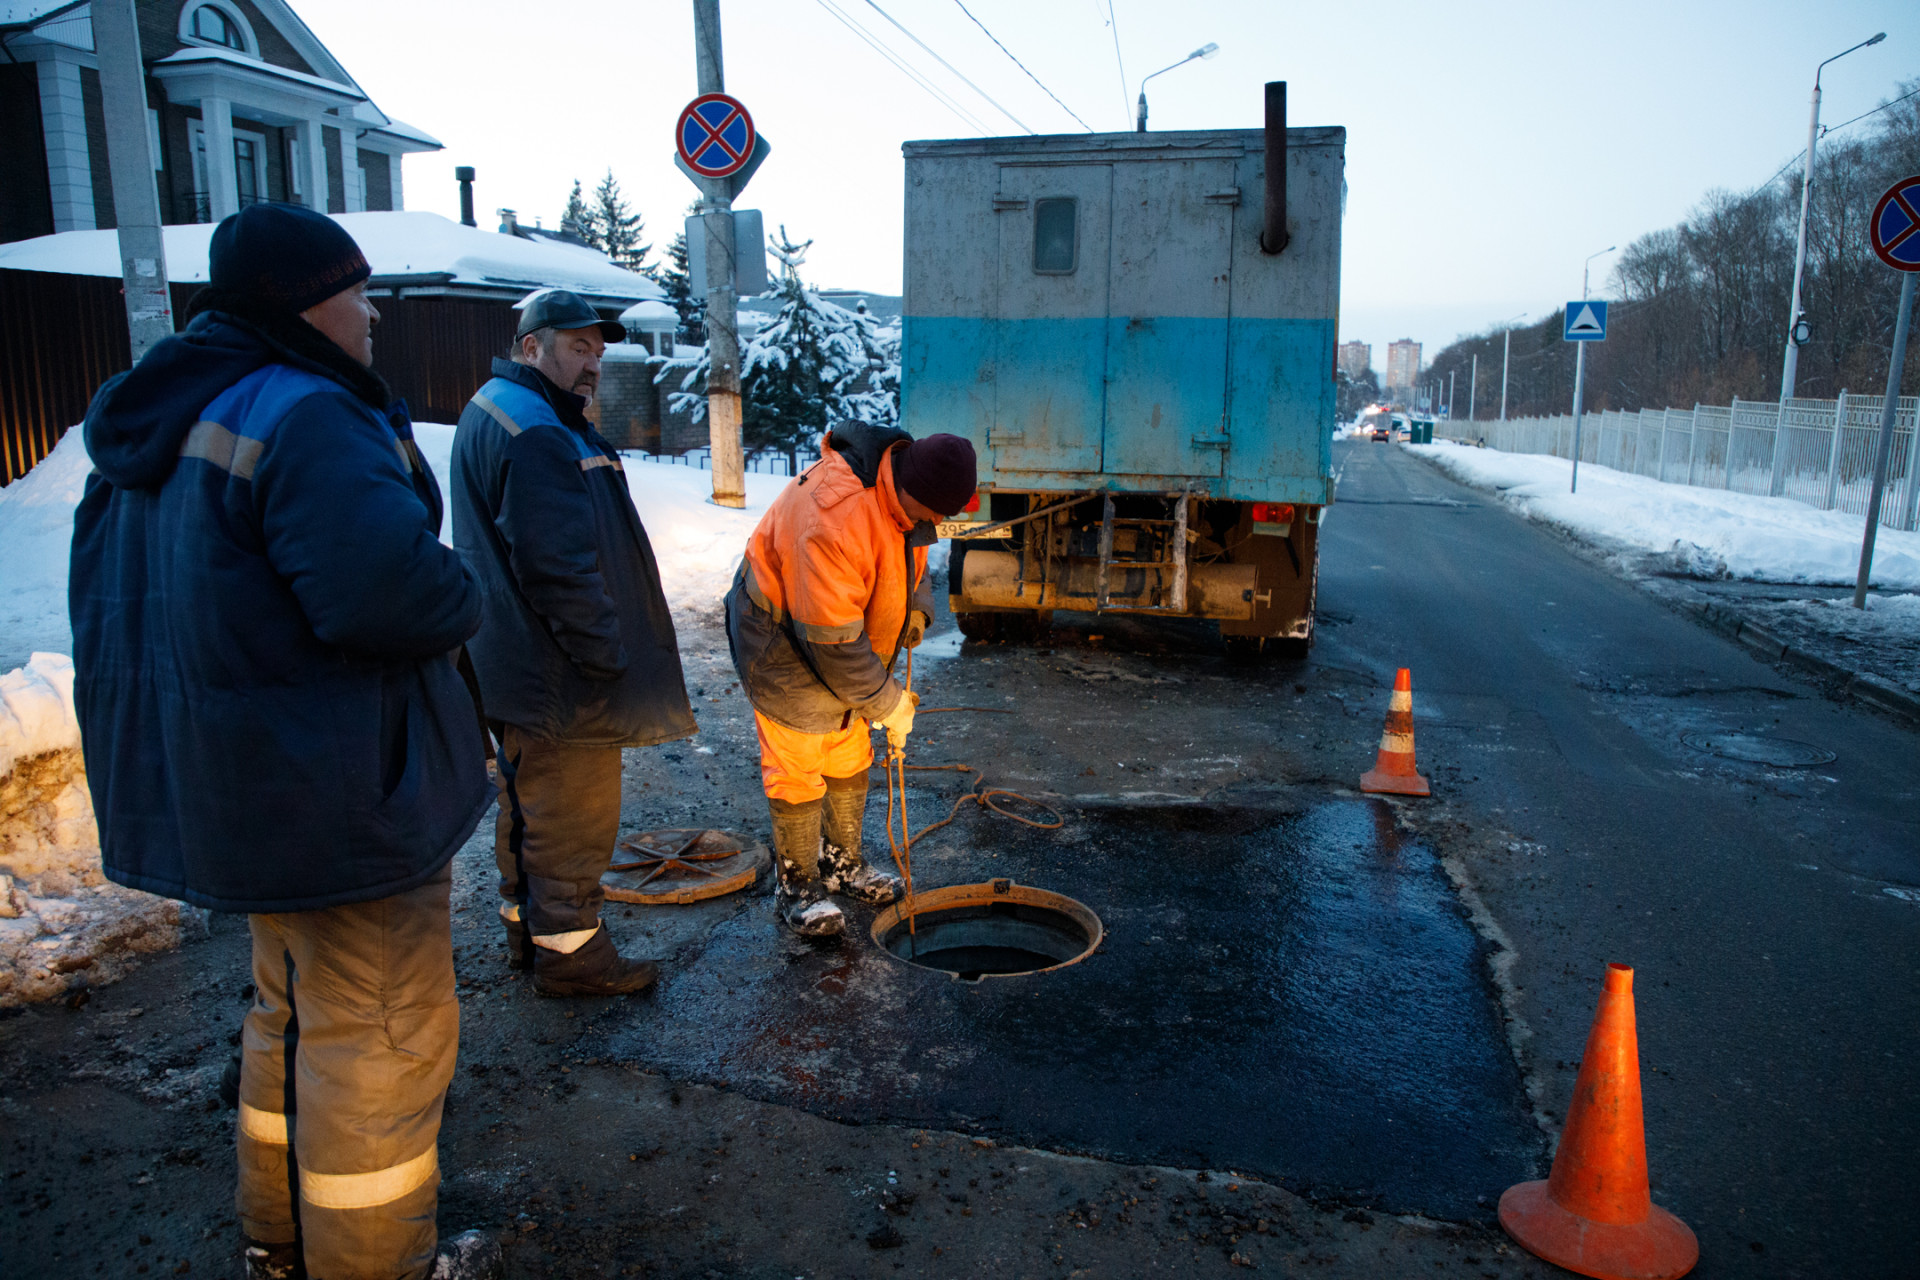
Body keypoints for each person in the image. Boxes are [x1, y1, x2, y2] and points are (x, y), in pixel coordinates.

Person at [69, 204, 499, 1280]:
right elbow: (388, 592)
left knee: (291, 1012)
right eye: (360, 293)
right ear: (307, 301)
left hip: (244, 791)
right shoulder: (304, 411)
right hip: (340, 793)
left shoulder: (163, 416)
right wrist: (464, 588)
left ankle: (279, 1235)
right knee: (383, 1036)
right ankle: (372, 1262)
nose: (374, 316)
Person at [452, 289, 695, 995]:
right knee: (571, 818)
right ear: (532, 347)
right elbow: (556, 567)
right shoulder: (537, 431)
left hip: (517, 664)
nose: (592, 363)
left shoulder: (504, 409)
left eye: (597, 349)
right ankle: (573, 961)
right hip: (559, 676)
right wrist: (603, 658)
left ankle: (529, 937)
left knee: (528, 808)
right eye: (577, 347)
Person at [725, 423, 977, 936]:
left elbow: (913, 563)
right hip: (781, 637)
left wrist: (916, 612)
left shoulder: (903, 494)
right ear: (917, 495)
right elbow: (832, 644)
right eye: (937, 514)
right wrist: (889, 705)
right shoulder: (833, 512)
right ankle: (796, 884)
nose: (939, 523)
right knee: (800, 755)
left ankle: (841, 865)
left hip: (838, 630)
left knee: (847, 747)